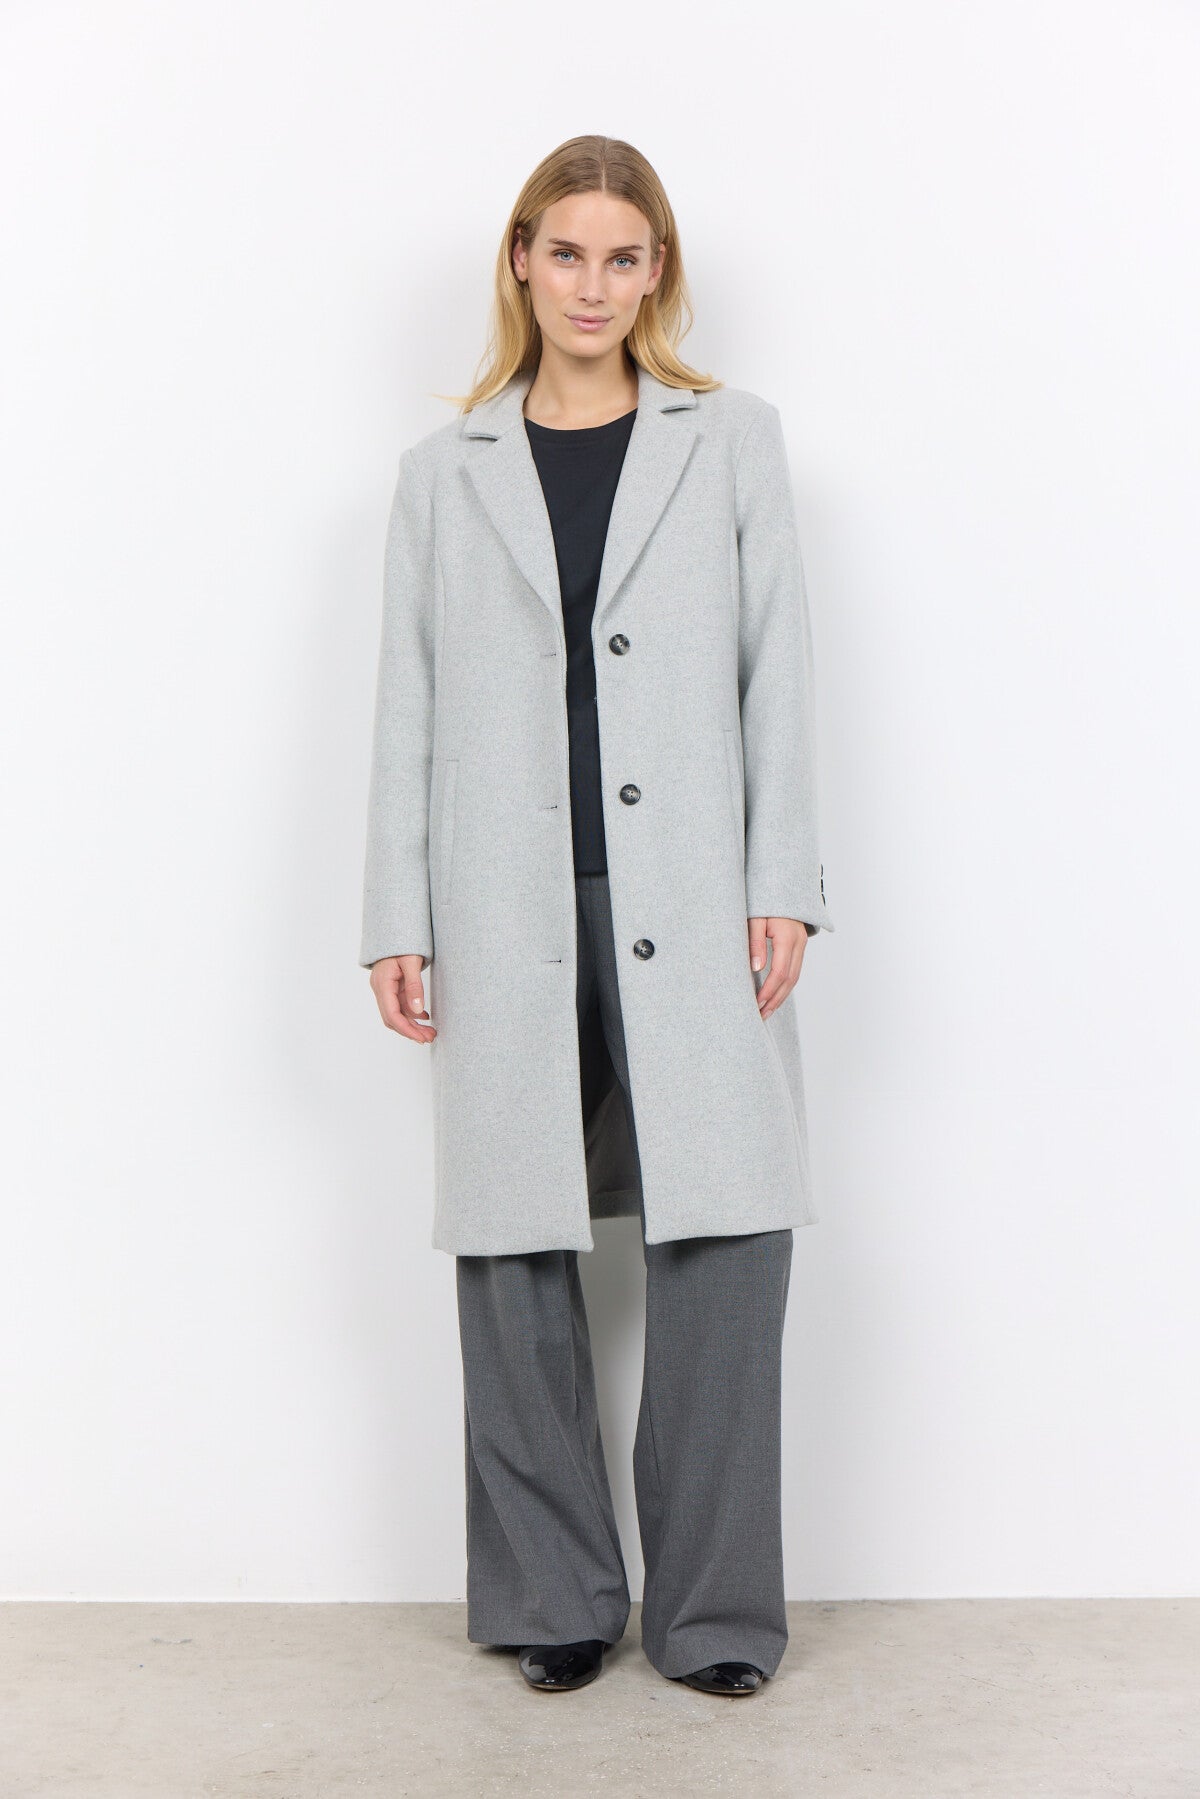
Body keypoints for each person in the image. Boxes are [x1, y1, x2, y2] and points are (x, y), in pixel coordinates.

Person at [359, 135, 835, 1697]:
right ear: (521, 260)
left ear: (656, 273)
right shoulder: (445, 472)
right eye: (566, 253)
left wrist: (784, 884)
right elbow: (408, 703)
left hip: (694, 894)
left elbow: (778, 669)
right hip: (501, 898)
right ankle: (553, 1600)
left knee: (727, 1231)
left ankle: (713, 1618)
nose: (592, 285)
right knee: (513, 1243)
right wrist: (396, 913)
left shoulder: (732, 440)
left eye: (623, 258)